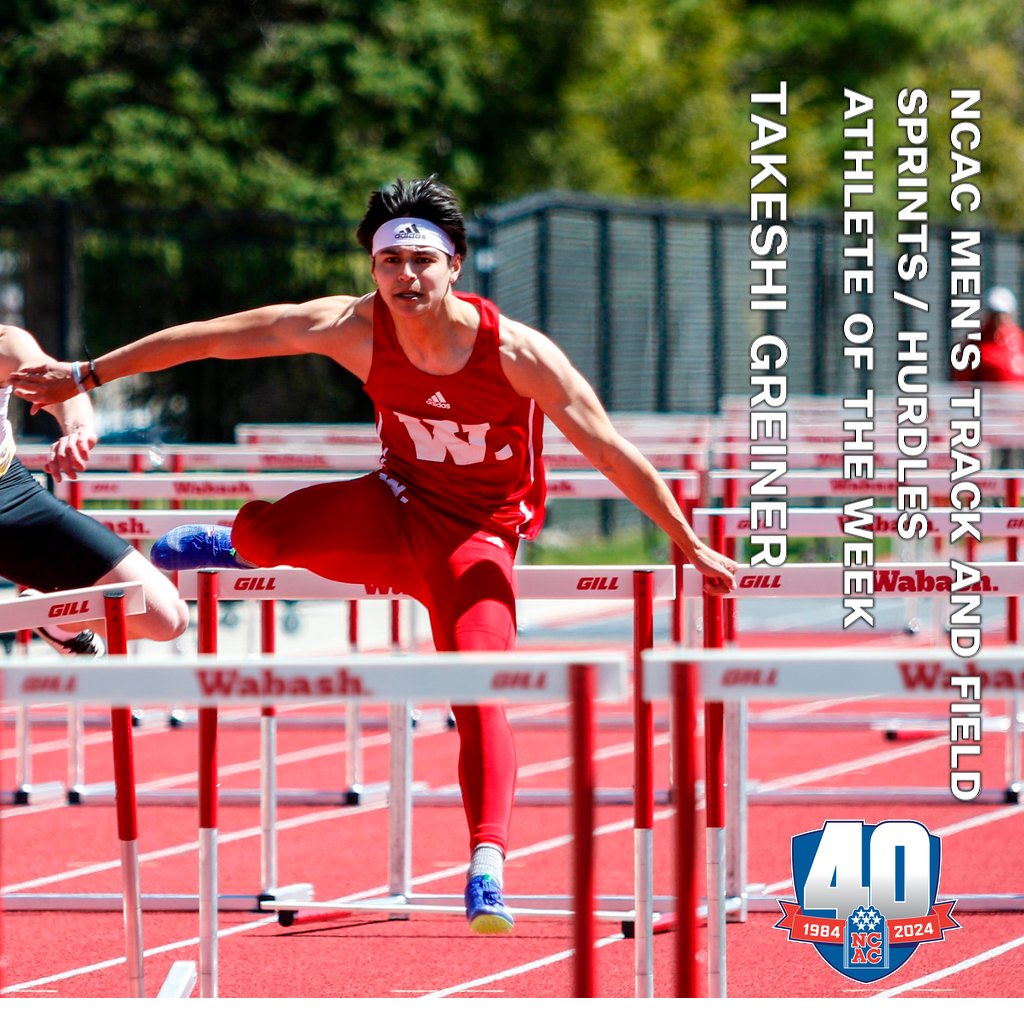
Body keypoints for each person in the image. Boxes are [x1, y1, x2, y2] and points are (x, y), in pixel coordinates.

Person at [12, 176, 738, 932]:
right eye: (391, 262)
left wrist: (685, 543)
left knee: (479, 684)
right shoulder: (351, 327)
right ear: (373, 269)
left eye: (423, 260)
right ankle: (239, 545)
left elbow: (611, 451)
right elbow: (213, 337)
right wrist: (86, 374)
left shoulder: (518, 354)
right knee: (268, 532)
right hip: (391, 511)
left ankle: (486, 864)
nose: (407, 277)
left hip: (478, 540)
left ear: (455, 264)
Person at [0, 324, 190, 652]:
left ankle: (57, 619)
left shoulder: (6, 344)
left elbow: (61, 388)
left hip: (9, 494)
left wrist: (78, 431)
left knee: (167, 616)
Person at [954, 285, 1024, 384]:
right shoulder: (975, 345)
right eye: (995, 314)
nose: (1000, 319)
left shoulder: (1020, 340)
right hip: (990, 398)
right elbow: (962, 382)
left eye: (1003, 314)